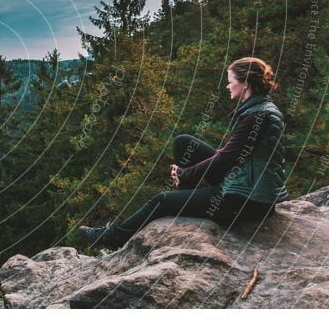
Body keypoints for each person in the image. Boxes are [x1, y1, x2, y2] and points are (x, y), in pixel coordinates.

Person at [79, 57, 287, 250]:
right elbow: (232, 153)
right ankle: (184, 198)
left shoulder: (256, 116)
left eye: (230, 80)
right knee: (184, 143)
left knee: (161, 201)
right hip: (248, 184)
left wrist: (186, 174)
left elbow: (228, 157)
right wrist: (189, 172)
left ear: (246, 84)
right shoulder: (260, 108)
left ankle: (114, 237)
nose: (227, 86)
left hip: (247, 201)